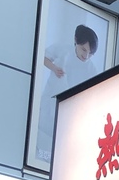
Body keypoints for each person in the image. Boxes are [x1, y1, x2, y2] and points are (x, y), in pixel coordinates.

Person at [35, 23, 99, 163]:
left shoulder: (91, 69)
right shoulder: (63, 50)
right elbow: (42, 56)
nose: (86, 55)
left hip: (69, 111)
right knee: (41, 136)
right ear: (76, 40)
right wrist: (54, 68)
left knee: (59, 143)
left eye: (90, 53)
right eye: (83, 49)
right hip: (50, 101)